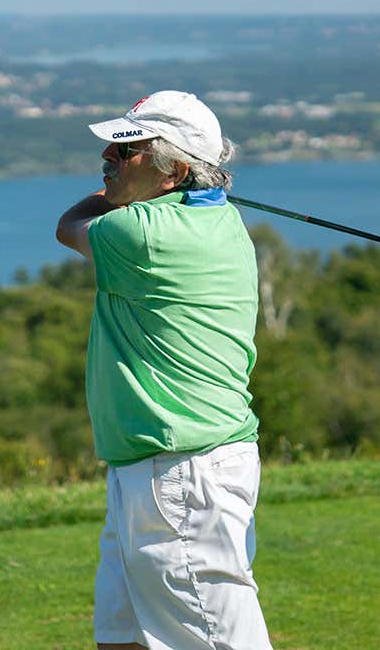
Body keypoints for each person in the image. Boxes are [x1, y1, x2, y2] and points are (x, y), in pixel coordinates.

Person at [56, 90, 273, 650]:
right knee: (120, 639)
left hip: (180, 475)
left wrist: (109, 197)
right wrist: (135, 187)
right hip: (156, 466)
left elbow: (69, 224)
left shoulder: (141, 233)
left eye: (126, 151)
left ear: (173, 172)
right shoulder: (221, 219)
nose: (107, 157)